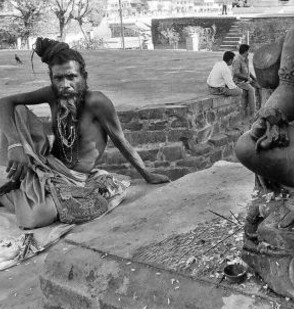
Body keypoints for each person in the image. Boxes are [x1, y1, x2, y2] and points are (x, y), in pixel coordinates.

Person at [0, 38, 169, 229]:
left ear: (84, 76)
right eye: (58, 78)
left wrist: (147, 174)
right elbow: (4, 102)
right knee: (16, 111)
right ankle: (21, 187)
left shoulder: (97, 102)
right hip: (48, 165)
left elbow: (120, 140)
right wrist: (15, 145)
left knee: (33, 218)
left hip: (75, 179)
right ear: (51, 79)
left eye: (71, 76)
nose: (65, 84)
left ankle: (13, 195)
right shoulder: (51, 94)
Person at [232, 44, 256, 116]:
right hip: (238, 82)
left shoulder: (246, 59)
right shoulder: (237, 60)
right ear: (245, 51)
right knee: (251, 89)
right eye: (248, 51)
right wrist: (247, 78)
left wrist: (255, 79)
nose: (249, 52)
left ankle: (261, 109)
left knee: (259, 86)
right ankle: (253, 113)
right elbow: (236, 73)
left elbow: (248, 72)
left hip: (246, 80)